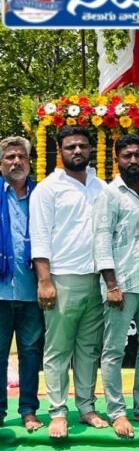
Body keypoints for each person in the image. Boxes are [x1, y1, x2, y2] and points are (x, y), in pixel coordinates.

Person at [30, 126, 108, 439]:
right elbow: (39, 237)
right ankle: (58, 413)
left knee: (88, 350)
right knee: (58, 350)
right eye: (70, 147)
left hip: (96, 279)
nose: (77, 151)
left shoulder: (101, 187)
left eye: (82, 146)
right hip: (61, 279)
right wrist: (45, 280)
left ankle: (87, 408)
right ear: (59, 151)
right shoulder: (47, 189)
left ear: (91, 150)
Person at [93, 134, 139, 438]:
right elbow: (101, 239)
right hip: (121, 284)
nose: (133, 160)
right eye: (127, 156)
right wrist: (111, 284)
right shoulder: (110, 194)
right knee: (114, 351)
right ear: (117, 159)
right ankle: (117, 412)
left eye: (138, 155)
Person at [0, 137, 43, 432]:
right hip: (1, 291)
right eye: (9, 157)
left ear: (29, 161)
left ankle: (28, 410)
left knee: (30, 353)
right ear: (1, 163)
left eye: (21, 157)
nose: (16, 162)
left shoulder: (42, 195)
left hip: (33, 290)